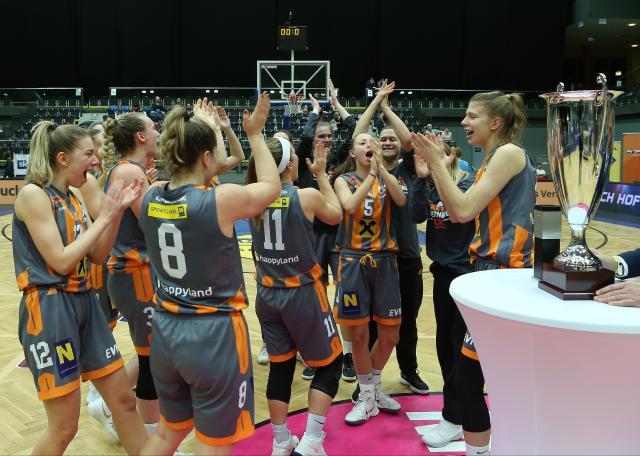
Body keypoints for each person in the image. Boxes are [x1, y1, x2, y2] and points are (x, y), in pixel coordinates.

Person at [137, 92, 280, 455]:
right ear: (205, 157)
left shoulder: (150, 196)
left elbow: (195, 180)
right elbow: (271, 187)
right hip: (212, 334)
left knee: (167, 435)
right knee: (213, 443)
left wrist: (208, 130)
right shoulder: (220, 200)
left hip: (166, 331)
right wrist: (254, 134)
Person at [13, 121, 147, 455]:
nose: (96, 160)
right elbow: (60, 261)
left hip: (85, 302)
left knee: (123, 401)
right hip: (50, 309)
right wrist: (105, 217)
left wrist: (116, 213)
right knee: (64, 427)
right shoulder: (33, 195)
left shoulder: (72, 198)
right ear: (62, 158)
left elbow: (99, 255)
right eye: (88, 154)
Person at [411, 91, 534, 455]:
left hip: (506, 275)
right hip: (485, 273)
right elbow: (455, 212)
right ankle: (468, 434)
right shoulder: (492, 159)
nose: (464, 122)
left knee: (470, 375)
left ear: (495, 122)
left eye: (471, 116)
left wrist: (437, 164)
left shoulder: (509, 154)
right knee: (466, 370)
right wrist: (436, 169)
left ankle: (485, 444)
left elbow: (463, 210)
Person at [248, 138, 343, 455]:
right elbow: (336, 215)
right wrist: (322, 176)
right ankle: (312, 440)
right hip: (302, 294)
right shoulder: (305, 196)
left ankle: (280, 441)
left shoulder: (252, 198)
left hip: (267, 295)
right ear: (290, 164)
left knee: (281, 367)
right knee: (331, 363)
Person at [350, 81, 428, 395]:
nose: (387, 142)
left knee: (408, 322)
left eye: (391, 138)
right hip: (376, 258)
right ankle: (368, 384)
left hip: (406, 257)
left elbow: (409, 140)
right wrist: (374, 105)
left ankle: (409, 370)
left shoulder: (408, 169)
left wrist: (386, 107)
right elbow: (358, 134)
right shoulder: (367, 170)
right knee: (372, 324)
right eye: (382, 139)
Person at [332, 129, 407, 426]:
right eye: (362, 142)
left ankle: (373, 388)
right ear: (353, 153)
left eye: (371, 141)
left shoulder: (386, 177)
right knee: (360, 334)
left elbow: (401, 199)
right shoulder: (344, 180)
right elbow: (350, 206)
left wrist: (381, 170)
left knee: (390, 335)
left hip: (385, 260)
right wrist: (372, 176)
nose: (369, 145)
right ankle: (366, 395)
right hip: (353, 261)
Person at [99, 109, 163, 437]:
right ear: (140, 136)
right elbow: (154, 222)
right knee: (152, 359)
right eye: (153, 128)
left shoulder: (130, 170)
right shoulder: (129, 172)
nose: (158, 133)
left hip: (135, 275)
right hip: (135, 275)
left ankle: (106, 404)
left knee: (153, 350)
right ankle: (152, 439)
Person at [410, 141, 476, 448]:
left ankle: (455, 417)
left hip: (468, 275)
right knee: (445, 345)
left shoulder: (470, 183)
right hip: (443, 273)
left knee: (459, 347)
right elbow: (416, 216)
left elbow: (462, 215)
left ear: (453, 154)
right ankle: (455, 414)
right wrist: (421, 179)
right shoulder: (434, 185)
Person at [296, 80, 358, 382]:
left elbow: (354, 130)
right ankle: (315, 350)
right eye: (321, 136)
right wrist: (315, 111)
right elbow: (306, 137)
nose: (326, 140)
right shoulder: (304, 164)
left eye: (329, 136)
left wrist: (335, 104)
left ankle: (347, 355)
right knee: (314, 297)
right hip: (311, 240)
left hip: (341, 238)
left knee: (346, 296)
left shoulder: (339, 162)